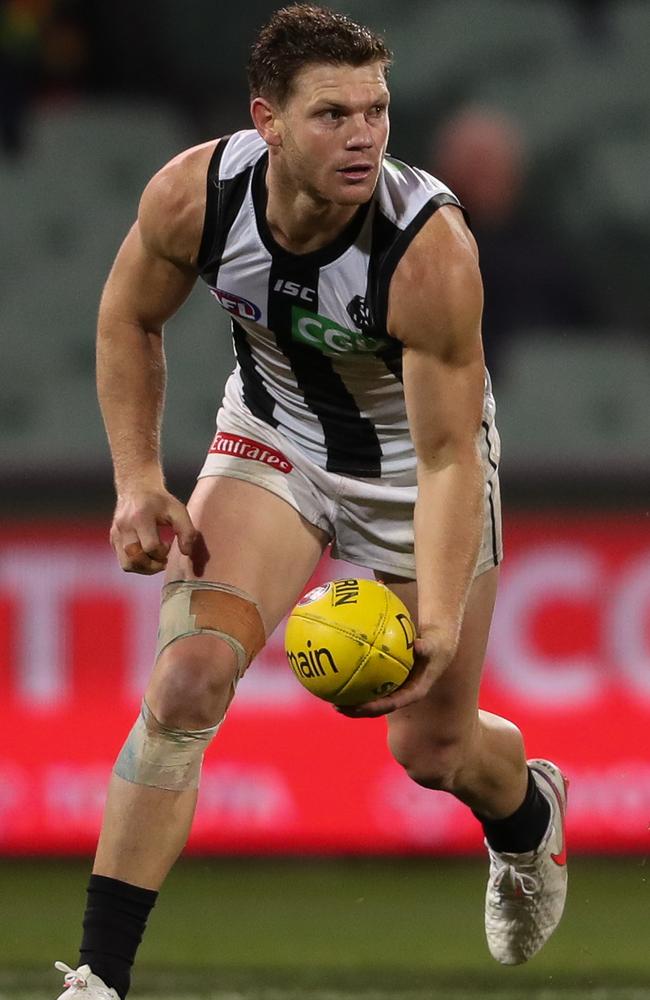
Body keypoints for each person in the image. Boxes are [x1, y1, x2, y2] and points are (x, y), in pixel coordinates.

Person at [54, 6, 568, 998]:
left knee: (430, 750)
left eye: (376, 109)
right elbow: (127, 317)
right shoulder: (194, 196)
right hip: (270, 436)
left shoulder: (426, 247)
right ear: (268, 121)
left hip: (415, 473)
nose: (364, 134)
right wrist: (135, 478)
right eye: (332, 113)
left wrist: (431, 612)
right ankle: (98, 979)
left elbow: (449, 452)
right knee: (185, 685)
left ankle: (524, 818)